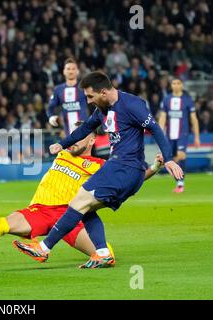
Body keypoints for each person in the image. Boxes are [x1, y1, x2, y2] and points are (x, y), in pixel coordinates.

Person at [13, 71, 183, 268]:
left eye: (90, 96)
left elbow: (155, 129)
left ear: (103, 92)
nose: (88, 100)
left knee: (78, 200)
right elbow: (85, 128)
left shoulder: (132, 104)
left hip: (123, 167)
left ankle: (43, 248)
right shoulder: (102, 110)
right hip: (125, 171)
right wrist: (62, 144)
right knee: (84, 209)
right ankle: (102, 253)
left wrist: (169, 159)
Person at [0, 121, 164, 259]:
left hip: (70, 217)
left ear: (93, 139)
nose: (73, 140)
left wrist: (154, 167)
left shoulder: (98, 165)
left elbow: (132, 178)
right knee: (3, 224)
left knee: (105, 254)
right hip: (40, 210)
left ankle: (92, 255)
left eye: (81, 136)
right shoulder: (63, 152)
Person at [158, 78, 200, 193]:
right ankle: (179, 182)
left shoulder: (187, 100)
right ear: (171, 85)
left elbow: (194, 119)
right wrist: (160, 134)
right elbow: (162, 117)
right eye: (173, 83)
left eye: (178, 83)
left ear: (182, 85)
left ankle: (180, 183)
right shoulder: (167, 99)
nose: (175, 85)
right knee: (170, 158)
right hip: (169, 135)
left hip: (183, 133)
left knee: (181, 155)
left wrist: (197, 137)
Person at [47, 58, 91, 135]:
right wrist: (51, 117)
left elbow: (95, 105)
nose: (71, 71)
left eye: (73, 69)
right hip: (67, 134)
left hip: (84, 134)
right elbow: (50, 107)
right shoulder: (58, 89)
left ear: (77, 71)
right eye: (68, 69)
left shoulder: (84, 88)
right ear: (64, 71)